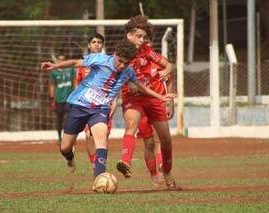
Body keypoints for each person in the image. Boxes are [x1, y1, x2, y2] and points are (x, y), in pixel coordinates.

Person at [40, 40, 176, 184]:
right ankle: (69, 158)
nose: (123, 65)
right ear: (115, 55)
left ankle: (98, 179)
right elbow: (75, 63)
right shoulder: (100, 59)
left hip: (100, 109)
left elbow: (142, 87)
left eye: (126, 63)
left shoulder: (128, 71)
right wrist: (54, 66)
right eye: (120, 61)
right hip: (79, 105)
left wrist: (161, 97)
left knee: (101, 141)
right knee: (65, 146)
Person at [116, 15, 178, 190]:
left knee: (166, 140)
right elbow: (115, 72)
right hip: (132, 99)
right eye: (139, 36)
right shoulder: (121, 52)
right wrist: (127, 82)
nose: (142, 40)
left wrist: (167, 69)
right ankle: (125, 162)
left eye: (144, 37)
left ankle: (167, 172)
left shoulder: (146, 50)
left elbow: (169, 66)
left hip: (153, 99)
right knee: (132, 125)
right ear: (129, 35)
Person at [74, 33, 117, 167]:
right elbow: (77, 85)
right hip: (87, 105)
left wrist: (114, 102)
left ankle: (100, 164)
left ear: (102, 45)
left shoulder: (109, 62)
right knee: (88, 136)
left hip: (104, 105)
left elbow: (115, 84)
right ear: (89, 45)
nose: (96, 44)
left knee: (102, 139)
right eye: (94, 42)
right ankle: (95, 165)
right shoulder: (82, 64)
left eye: (99, 42)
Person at [48, 54, 75, 144]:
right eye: (59, 59)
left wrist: (75, 94)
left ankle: (70, 138)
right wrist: (52, 99)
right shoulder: (54, 72)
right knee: (59, 119)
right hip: (59, 99)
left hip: (69, 98)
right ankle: (60, 138)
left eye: (63, 59)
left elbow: (74, 82)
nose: (61, 61)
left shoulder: (70, 70)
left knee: (70, 119)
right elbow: (52, 85)